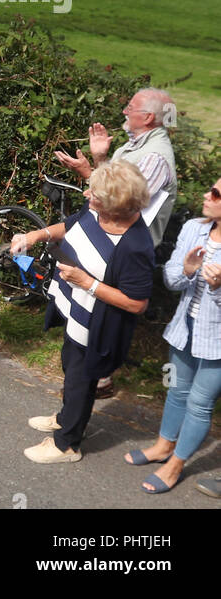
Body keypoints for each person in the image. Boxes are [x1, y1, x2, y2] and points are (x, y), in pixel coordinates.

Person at [9, 161, 154, 463]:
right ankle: (67, 417)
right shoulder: (98, 211)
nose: (87, 193)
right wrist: (35, 236)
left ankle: (66, 444)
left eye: (95, 193)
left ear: (115, 203)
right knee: (70, 367)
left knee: (80, 377)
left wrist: (88, 284)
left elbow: (137, 303)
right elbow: (72, 223)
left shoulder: (135, 246)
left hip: (96, 324)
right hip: (75, 308)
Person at [56, 87, 178, 398]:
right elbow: (111, 191)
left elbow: (121, 203)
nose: (124, 110)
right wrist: (97, 160)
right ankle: (84, 390)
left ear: (147, 117)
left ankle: (93, 387)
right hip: (108, 242)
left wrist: (90, 170)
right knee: (86, 321)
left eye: (130, 106)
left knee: (104, 319)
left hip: (122, 252)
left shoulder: (154, 157)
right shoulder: (137, 145)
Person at [120, 176, 221, 492]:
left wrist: (218, 289)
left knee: (200, 403)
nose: (207, 194)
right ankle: (164, 446)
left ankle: (176, 464)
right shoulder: (194, 227)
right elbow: (170, 279)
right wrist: (189, 270)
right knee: (176, 389)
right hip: (185, 327)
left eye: (216, 193)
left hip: (217, 340)